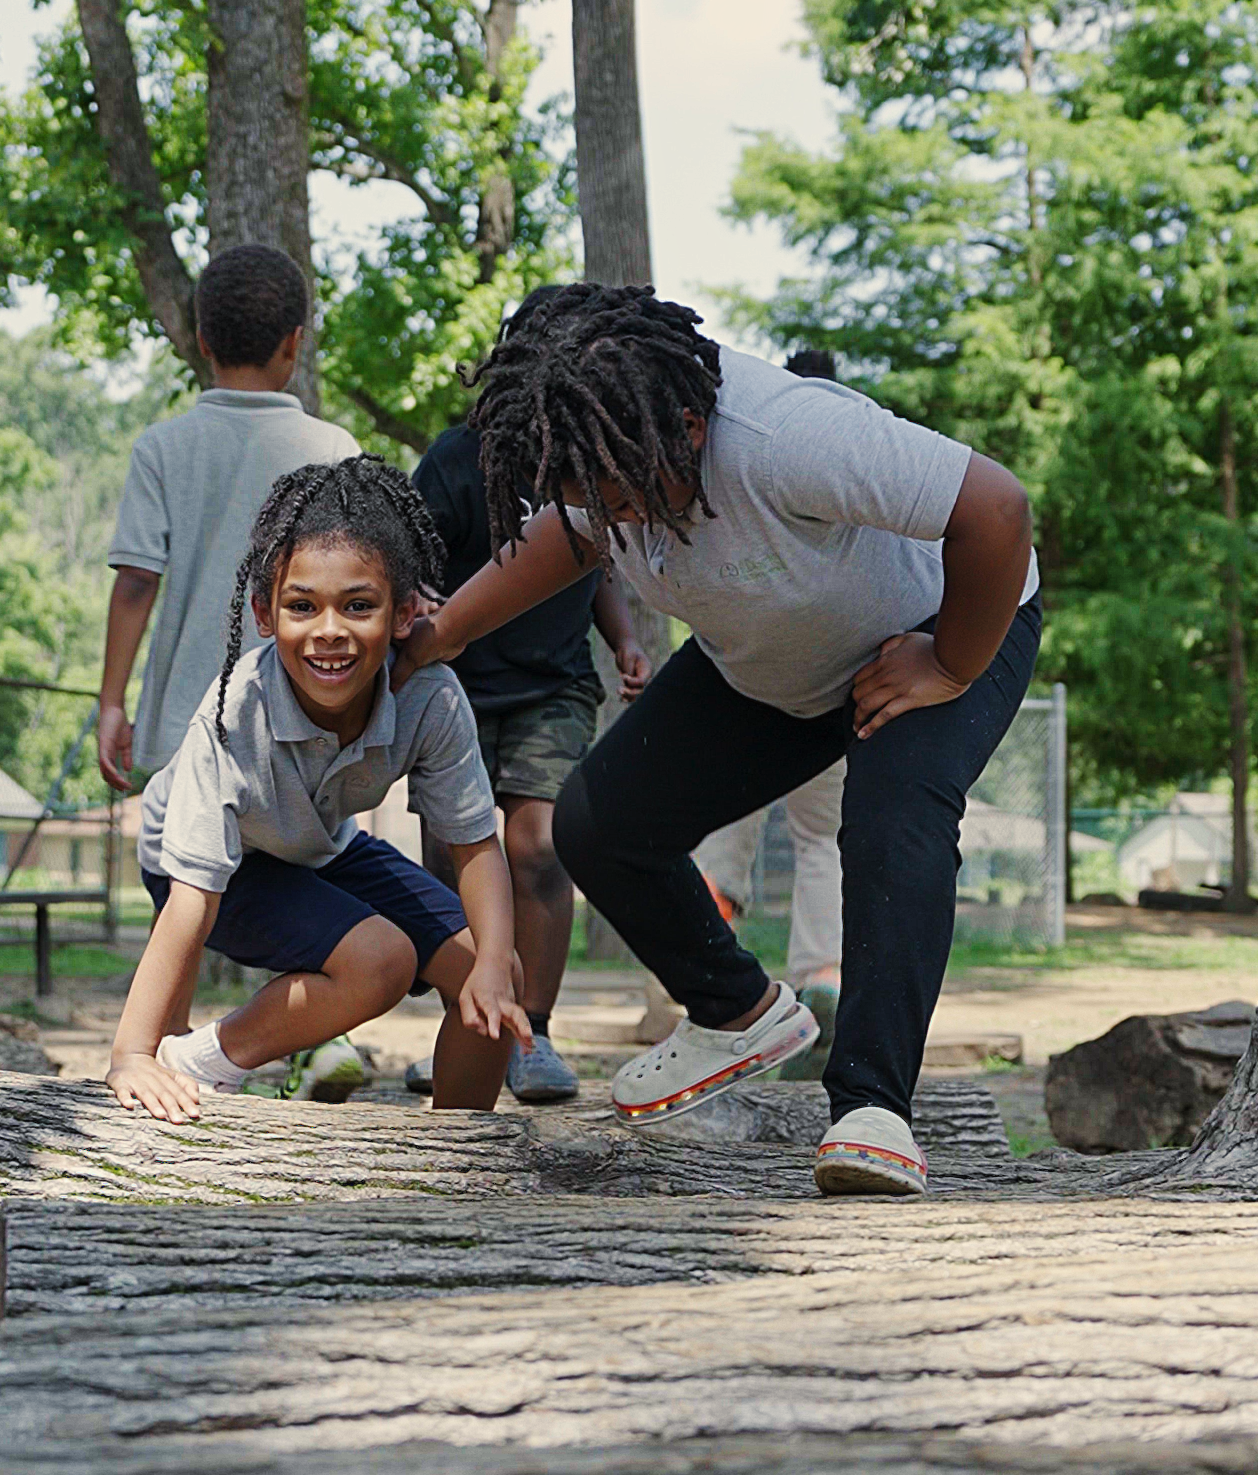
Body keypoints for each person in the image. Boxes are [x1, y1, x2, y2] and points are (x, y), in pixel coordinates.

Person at [396, 285, 1040, 1196]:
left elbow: (997, 509)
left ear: (690, 429)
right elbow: (564, 540)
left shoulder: (788, 437)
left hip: (941, 623)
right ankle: (736, 1010)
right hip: (779, 663)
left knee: (891, 820)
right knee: (594, 823)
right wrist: (443, 631)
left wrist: (948, 664)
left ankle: (871, 1107)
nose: (604, 518)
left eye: (614, 497)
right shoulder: (608, 448)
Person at [106, 456, 530, 1123]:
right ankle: (196, 1060)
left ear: (404, 612)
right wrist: (132, 1051)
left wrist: (496, 964)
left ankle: (461, 1154)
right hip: (203, 863)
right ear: (265, 613)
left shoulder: (429, 698)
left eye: (357, 605)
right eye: (302, 606)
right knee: (379, 960)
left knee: (492, 965)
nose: (329, 630)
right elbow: (190, 900)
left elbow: (476, 845)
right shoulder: (232, 714)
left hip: (315, 845)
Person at [96, 243, 363, 1099]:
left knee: (187, 893)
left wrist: (111, 701)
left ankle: (175, 1054)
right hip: (298, 717)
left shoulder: (165, 444)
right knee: (304, 872)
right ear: (295, 342)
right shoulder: (332, 444)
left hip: (187, 714)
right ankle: (311, 1032)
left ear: (198, 338)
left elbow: (136, 579)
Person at [402, 286, 653, 1105]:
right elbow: (409, 565)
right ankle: (465, 1027)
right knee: (451, 854)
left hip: (553, 685)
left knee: (538, 843)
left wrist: (621, 637)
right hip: (452, 689)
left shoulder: (588, 456)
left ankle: (533, 1032)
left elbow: (592, 559)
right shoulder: (452, 459)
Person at [698, 347, 845, 1082]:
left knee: (725, 824)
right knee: (823, 840)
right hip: (841, 676)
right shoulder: (853, 462)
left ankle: (718, 985)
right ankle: (822, 974)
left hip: (750, 676)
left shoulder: (748, 461)